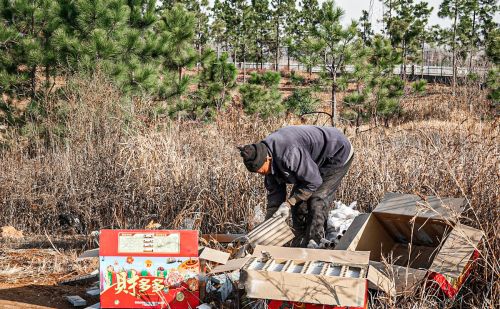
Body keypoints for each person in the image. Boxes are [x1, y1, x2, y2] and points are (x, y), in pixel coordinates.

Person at [238, 125, 354, 248]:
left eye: (262, 171)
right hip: (310, 162)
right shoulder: (265, 157)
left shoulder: (288, 154)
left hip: (336, 153)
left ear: (268, 159)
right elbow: (275, 195)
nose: (262, 174)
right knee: (299, 205)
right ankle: (301, 245)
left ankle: (316, 245)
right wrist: (270, 221)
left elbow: (313, 181)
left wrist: (288, 203)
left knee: (316, 200)